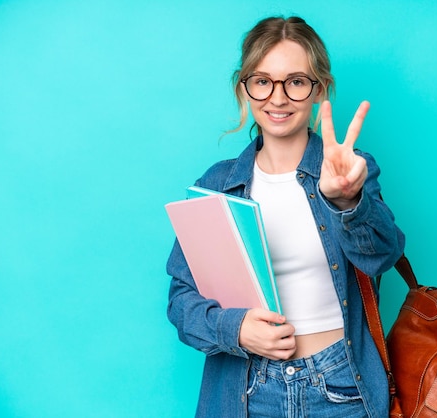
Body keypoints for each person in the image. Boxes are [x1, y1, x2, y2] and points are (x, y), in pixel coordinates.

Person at [166, 16, 405, 418]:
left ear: (319, 90)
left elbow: (383, 256)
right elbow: (180, 300)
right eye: (262, 81)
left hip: (341, 389)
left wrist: (348, 202)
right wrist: (236, 329)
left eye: (296, 81)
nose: (278, 98)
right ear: (244, 88)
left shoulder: (351, 171)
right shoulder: (216, 185)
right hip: (249, 389)